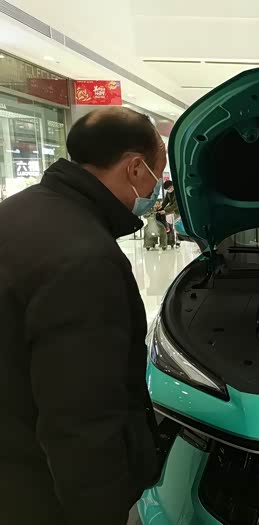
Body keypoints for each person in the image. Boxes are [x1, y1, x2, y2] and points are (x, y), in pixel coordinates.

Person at [0, 107, 166, 525]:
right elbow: (83, 419)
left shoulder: (16, 212)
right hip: (42, 491)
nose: (156, 189)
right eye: (158, 174)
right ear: (135, 168)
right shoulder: (86, 260)